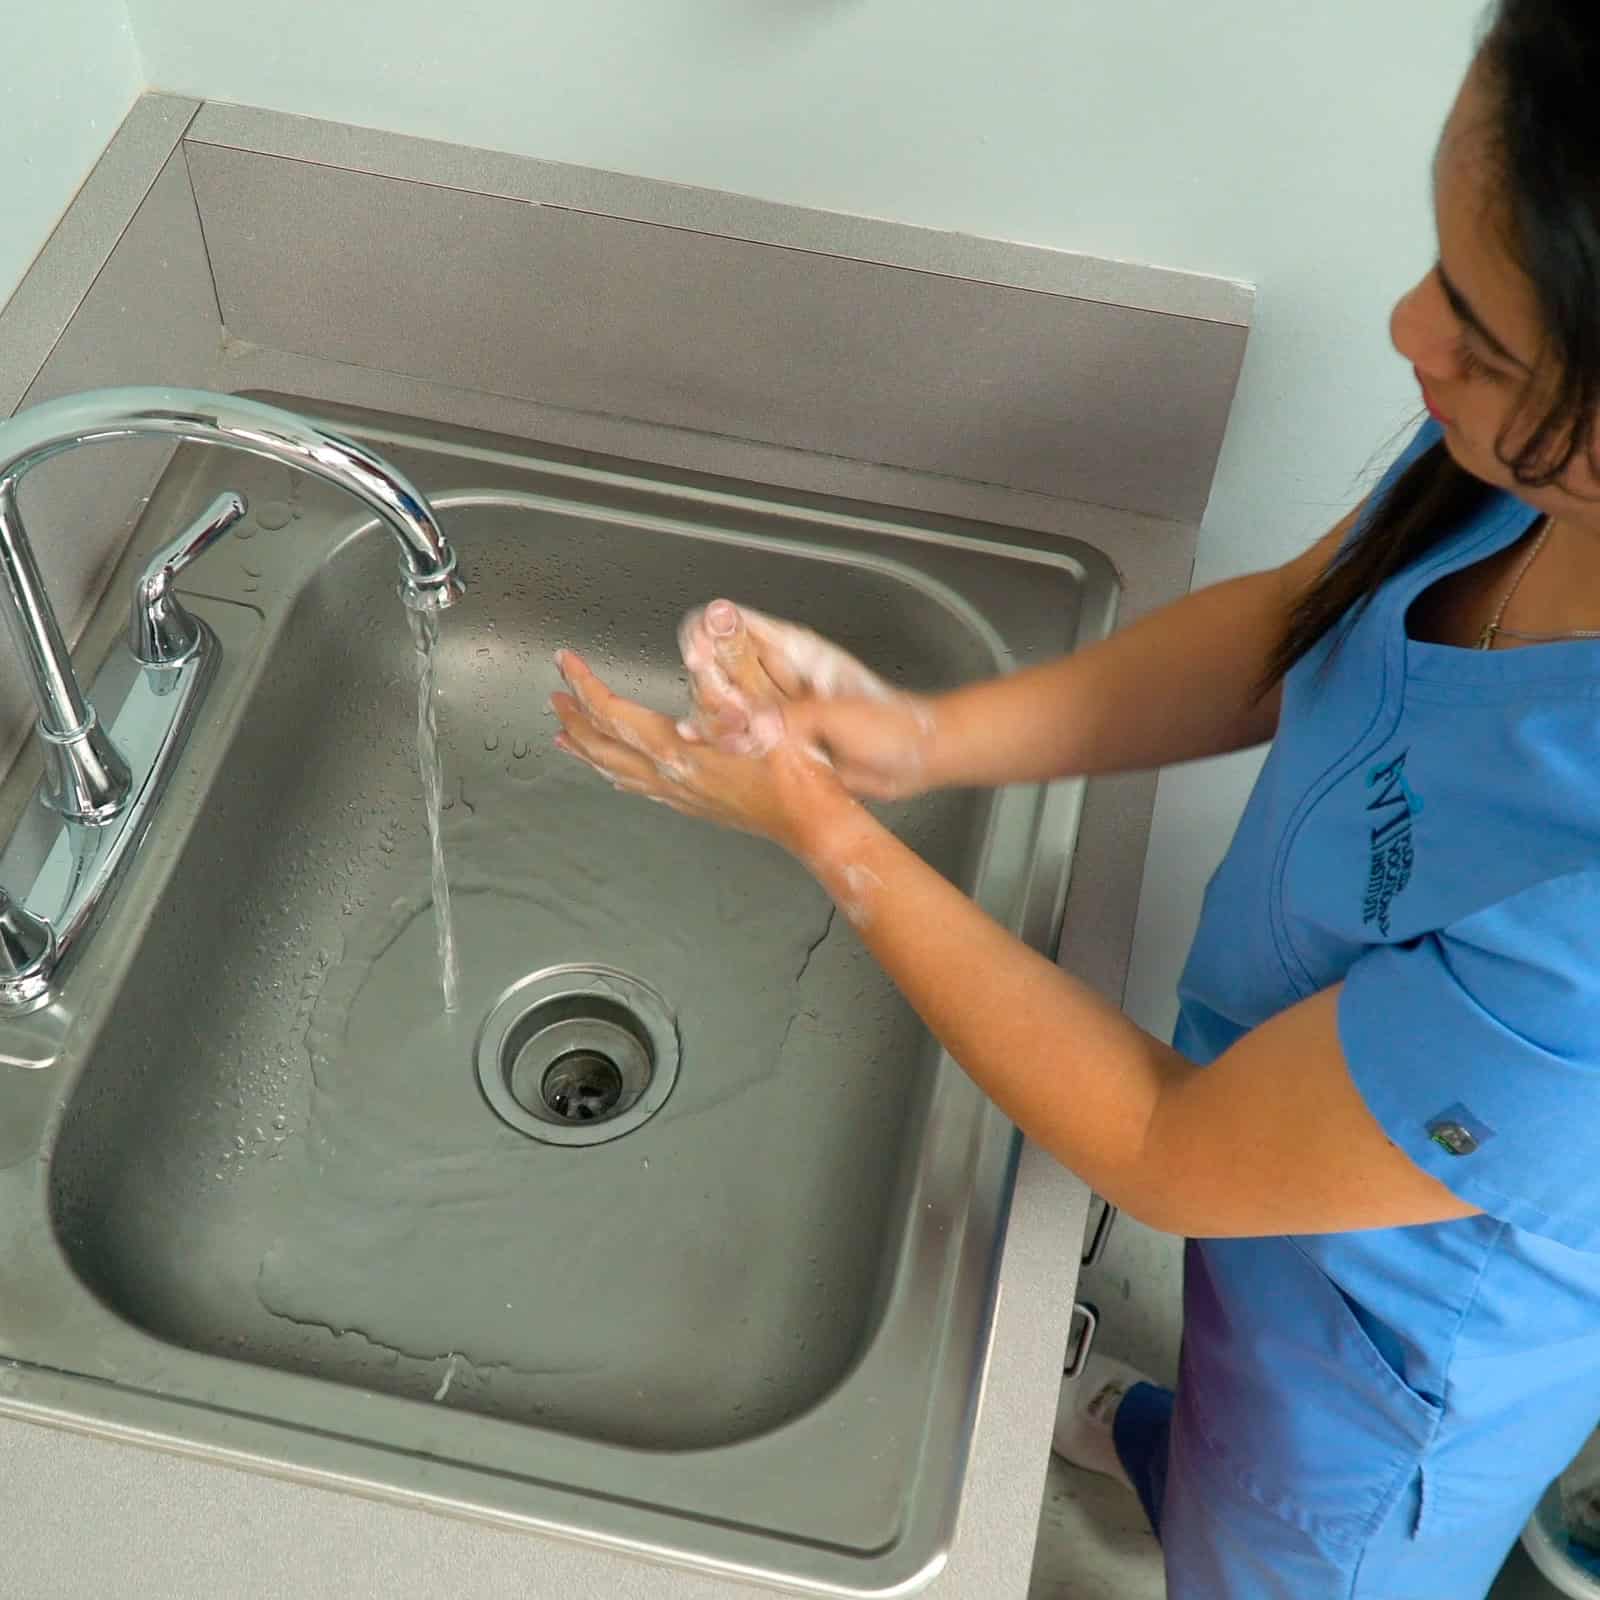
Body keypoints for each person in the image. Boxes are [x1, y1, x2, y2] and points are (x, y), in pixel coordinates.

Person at [549, 2, 1600, 1592]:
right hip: (1282, 1224)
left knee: (1260, 1544)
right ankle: (1170, 1447)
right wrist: (918, 741)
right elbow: (1294, 625)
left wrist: (823, 831)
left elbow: (1174, 1145)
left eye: (1480, 331)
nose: (1403, 330)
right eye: (1443, 271)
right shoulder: (1518, 467)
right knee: (1221, 1412)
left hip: (1379, 1425)